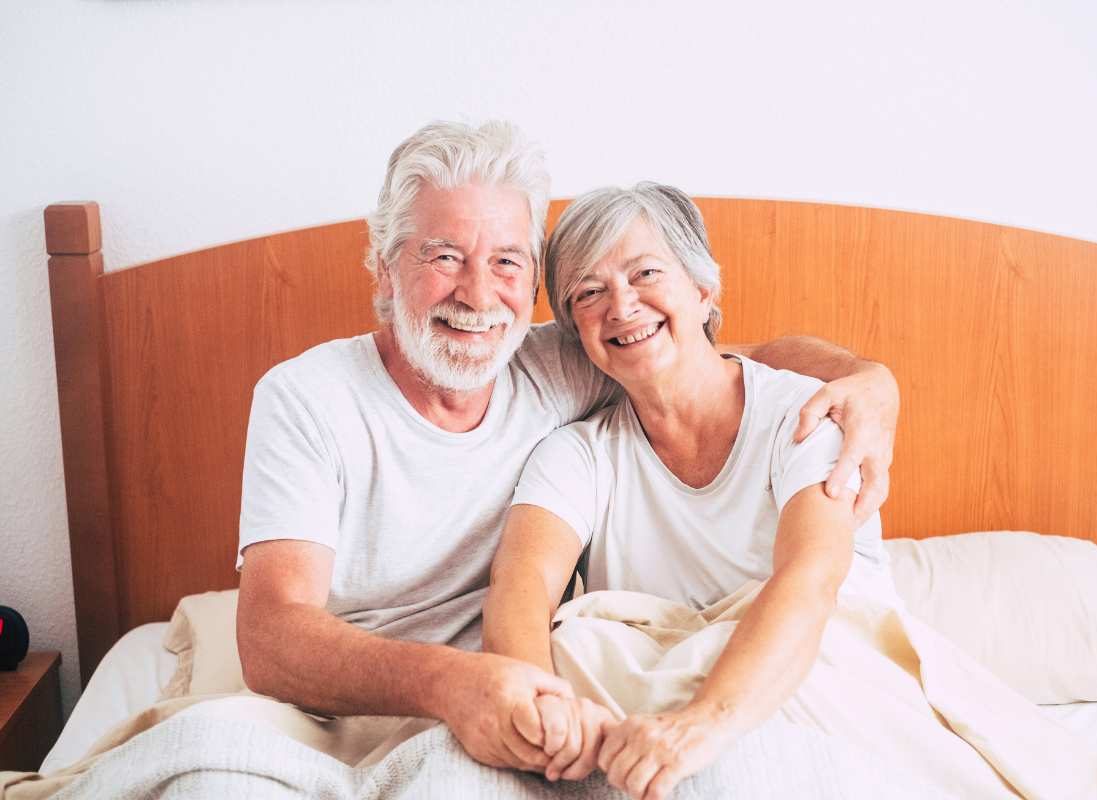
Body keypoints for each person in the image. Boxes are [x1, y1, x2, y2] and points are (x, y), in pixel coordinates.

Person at [234, 121, 900, 777]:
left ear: (529, 290)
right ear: (383, 269)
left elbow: (720, 357)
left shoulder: (568, 358)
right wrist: (461, 684)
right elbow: (269, 635)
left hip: (512, 697)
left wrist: (866, 378)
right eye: (443, 256)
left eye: (505, 261)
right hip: (369, 696)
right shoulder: (309, 398)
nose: (476, 293)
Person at [483, 181, 894, 798]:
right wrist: (545, 714)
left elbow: (812, 579)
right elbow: (520, 589)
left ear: (703, 291)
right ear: (577, 334)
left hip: (808, 682)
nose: (621, 307)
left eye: (645, 273)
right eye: (589, 293)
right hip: (648, 716)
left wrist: (702, 725)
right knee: (580, 646)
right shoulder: (576, 455)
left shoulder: (805, 417)